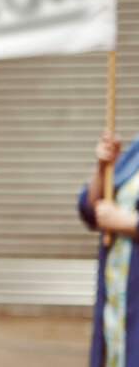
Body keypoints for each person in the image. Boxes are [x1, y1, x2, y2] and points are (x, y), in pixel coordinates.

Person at [78, 130, 139, 367]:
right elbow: (91, 210)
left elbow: (117, 218)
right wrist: (103, 167)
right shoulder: (136, 149)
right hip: (119, 303)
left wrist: (129, 223)